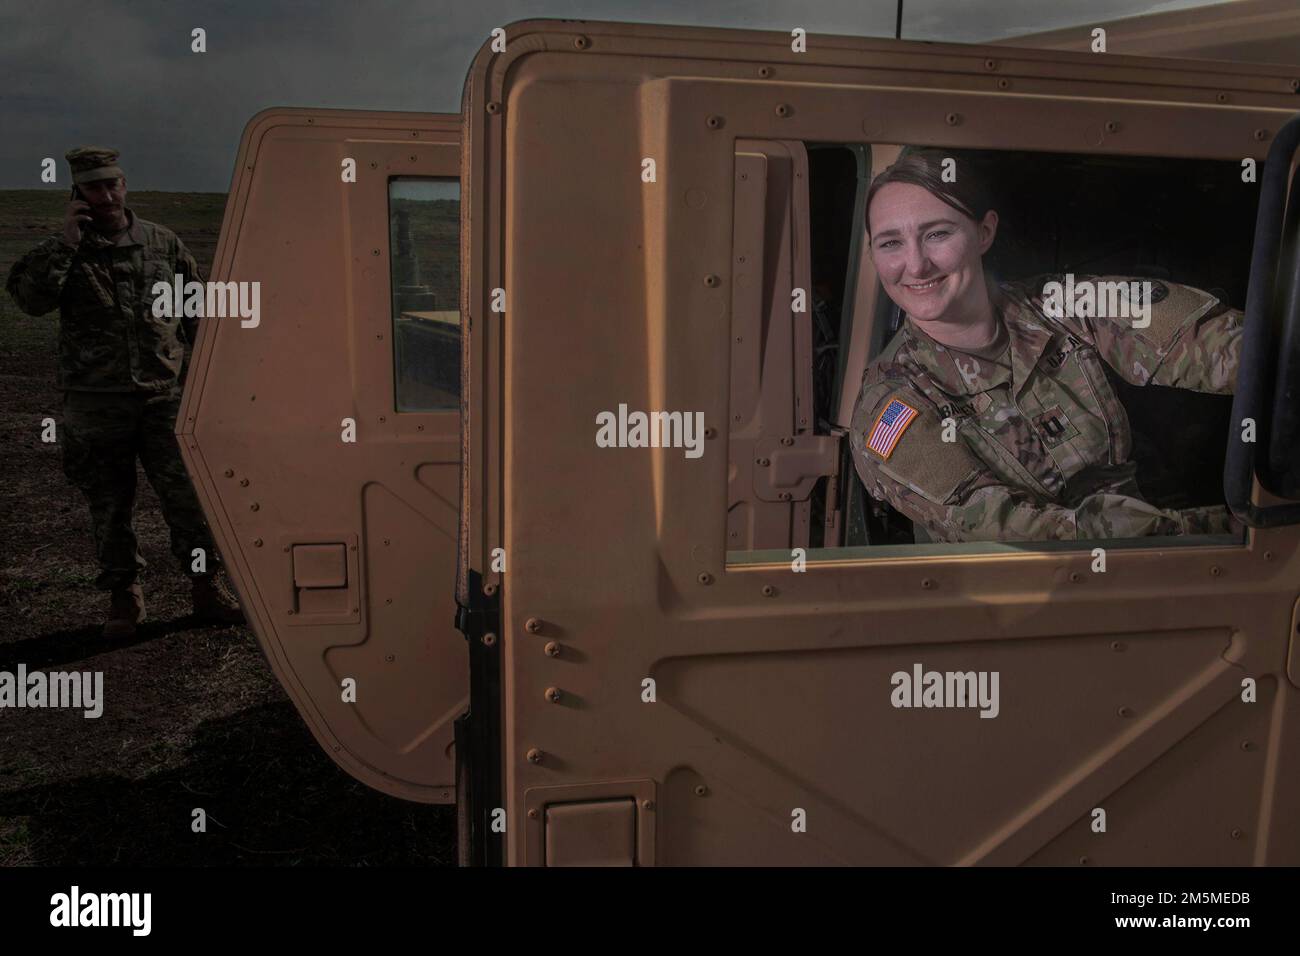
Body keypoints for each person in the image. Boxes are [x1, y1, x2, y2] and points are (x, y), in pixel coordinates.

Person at [850, 150, 1243, 543]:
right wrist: (1215, 532)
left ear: (984, 232)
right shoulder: (890, 403)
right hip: (1034, 588)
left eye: (937, 234)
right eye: (890, 243)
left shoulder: (1062, 303)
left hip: (1163, 554)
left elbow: (1224, 347)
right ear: (872, 254)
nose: (916, 265)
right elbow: (1004, 531)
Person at [6, 146, 243, 636]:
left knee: (191, 501)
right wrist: (66, 242)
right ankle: (124, 600)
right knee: (111, 505)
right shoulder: (64, 250)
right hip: (96, 403)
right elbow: (30, 301)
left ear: (125, 184)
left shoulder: (162, 243)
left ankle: (206, 589)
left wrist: (211, 379)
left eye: (113, 184)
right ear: (78, 193)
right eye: (94, 187)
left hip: (164, 399)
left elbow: (197, 311)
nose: (107, 195)